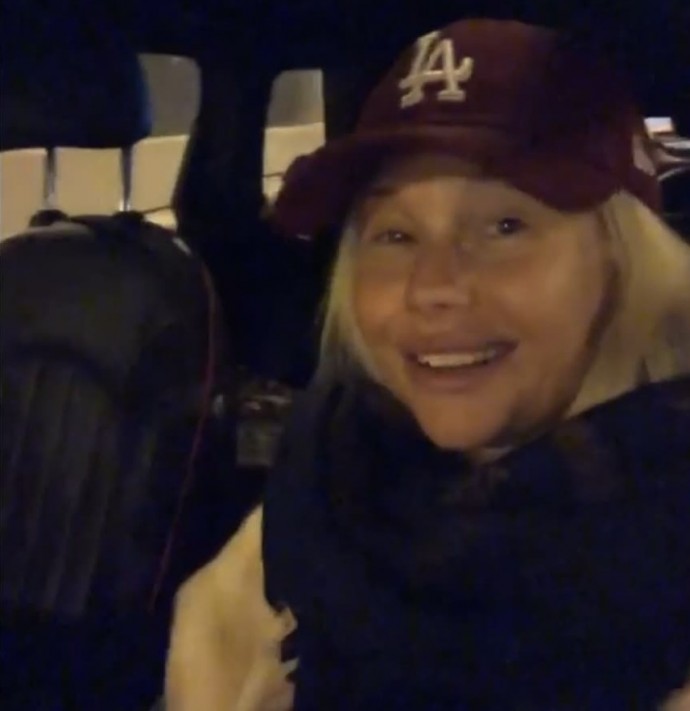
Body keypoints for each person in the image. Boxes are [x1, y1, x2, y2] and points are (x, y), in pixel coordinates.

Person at [164, 18, 690, 711]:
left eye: (506, 225)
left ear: (624, 262)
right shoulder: (311, 500)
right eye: (395, 234)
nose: (431, 287)